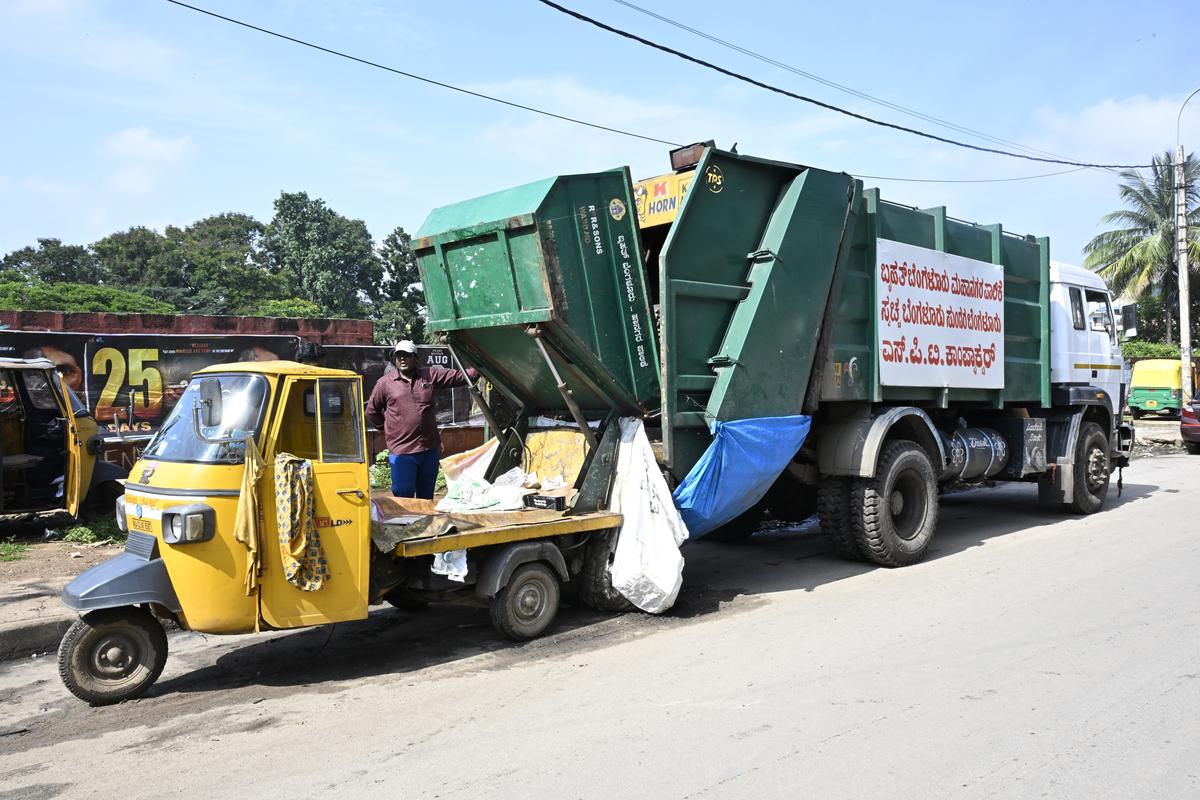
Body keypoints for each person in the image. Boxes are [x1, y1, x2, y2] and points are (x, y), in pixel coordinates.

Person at [365, 341, 477, 499]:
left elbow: (460, 377)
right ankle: (406, 524)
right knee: (403, 495)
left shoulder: (429, 375)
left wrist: (481, 368)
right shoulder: (385, 383)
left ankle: (424, 524)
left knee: (426, 497)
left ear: (416, 359)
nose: (402, 359)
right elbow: (371, 412)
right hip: (402, 451)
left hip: (429, 450)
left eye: (407, 355)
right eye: (399, 356)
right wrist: (387, 429)